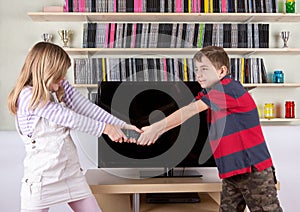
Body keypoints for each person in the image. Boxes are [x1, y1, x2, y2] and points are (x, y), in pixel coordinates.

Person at [137, 46, 283, 211]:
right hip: (231, 171)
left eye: (204, 69)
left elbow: (190, 111)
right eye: (197, 69)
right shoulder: (210, 92)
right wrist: (148, 123)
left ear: (221, 71)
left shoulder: (229, 89)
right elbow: (186, 107)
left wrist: (157, 129)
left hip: (252, 169)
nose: (198, 75)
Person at [7, 42, 141, 212]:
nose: (63, 79)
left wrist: (122, 125)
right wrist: (106, 129)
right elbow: (69, 118)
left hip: (71, 175)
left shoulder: (58, 87)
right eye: (59, 75)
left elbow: (86, 108)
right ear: (45, 72)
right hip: (42, 181)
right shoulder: (27, 96)